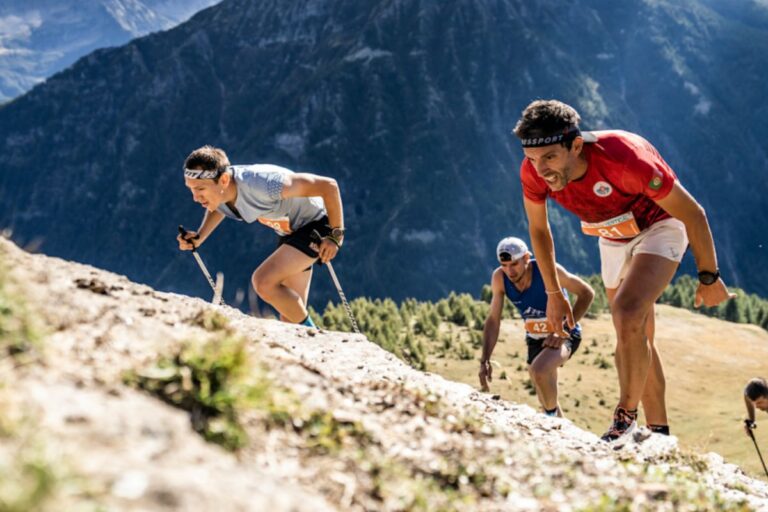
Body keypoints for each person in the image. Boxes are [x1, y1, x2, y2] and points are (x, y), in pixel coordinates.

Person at [513, 99, 734, 442]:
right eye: (532, 159)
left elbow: (694, 214)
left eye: (550, 158)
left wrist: (709, 277)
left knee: (627, 312)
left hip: (660, 225)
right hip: (612, 236)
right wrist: (554, 293)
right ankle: (658, 435)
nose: (540, 170)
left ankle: (624, 418)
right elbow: (539, 231)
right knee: (635, 335)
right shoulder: (534, 172)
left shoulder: (624, 158)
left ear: (575, 145)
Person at [177, 145, 345, 327]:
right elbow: (218, 206)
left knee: (264, 282)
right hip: (290, 231)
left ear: (224, 180)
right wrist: (199, 237)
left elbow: (328, 186)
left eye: (200, 189)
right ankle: (312, 337)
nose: (195, 197)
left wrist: (335, 235)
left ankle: (314, 334)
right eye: (191, 189)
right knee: (290, 318)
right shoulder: (222, 191)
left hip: (317, 224)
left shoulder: (265, 184)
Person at [478, 236, 594, 418]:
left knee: (539, 370)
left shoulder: (548, 270)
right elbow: (493, 319)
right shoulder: (499, 278)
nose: (509, 271)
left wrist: (564, 331)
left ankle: (549, 421)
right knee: (543, 390)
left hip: (564, 334)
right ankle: (560, 430)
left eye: (514, 264)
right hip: (535, 337)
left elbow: (587, 293)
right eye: (504, 265)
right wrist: (485, 359)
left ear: (526, 258)